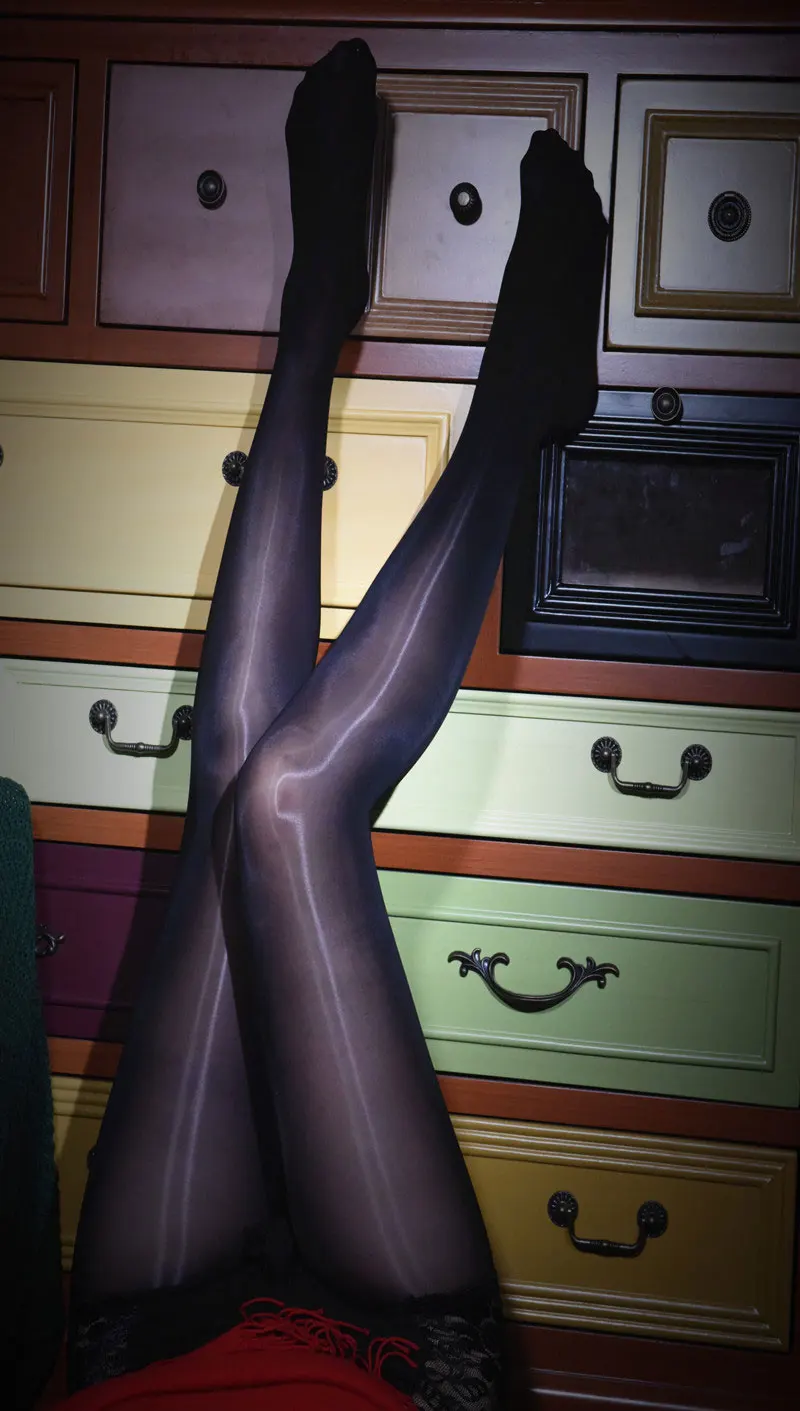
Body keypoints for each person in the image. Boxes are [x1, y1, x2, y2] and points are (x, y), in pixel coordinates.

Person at [62, 37, 607, 1410]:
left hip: (150, 1346)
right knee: (283, 801)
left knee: (240, 795)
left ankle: (319, 313)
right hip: (400, 1367)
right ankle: (514, 395)